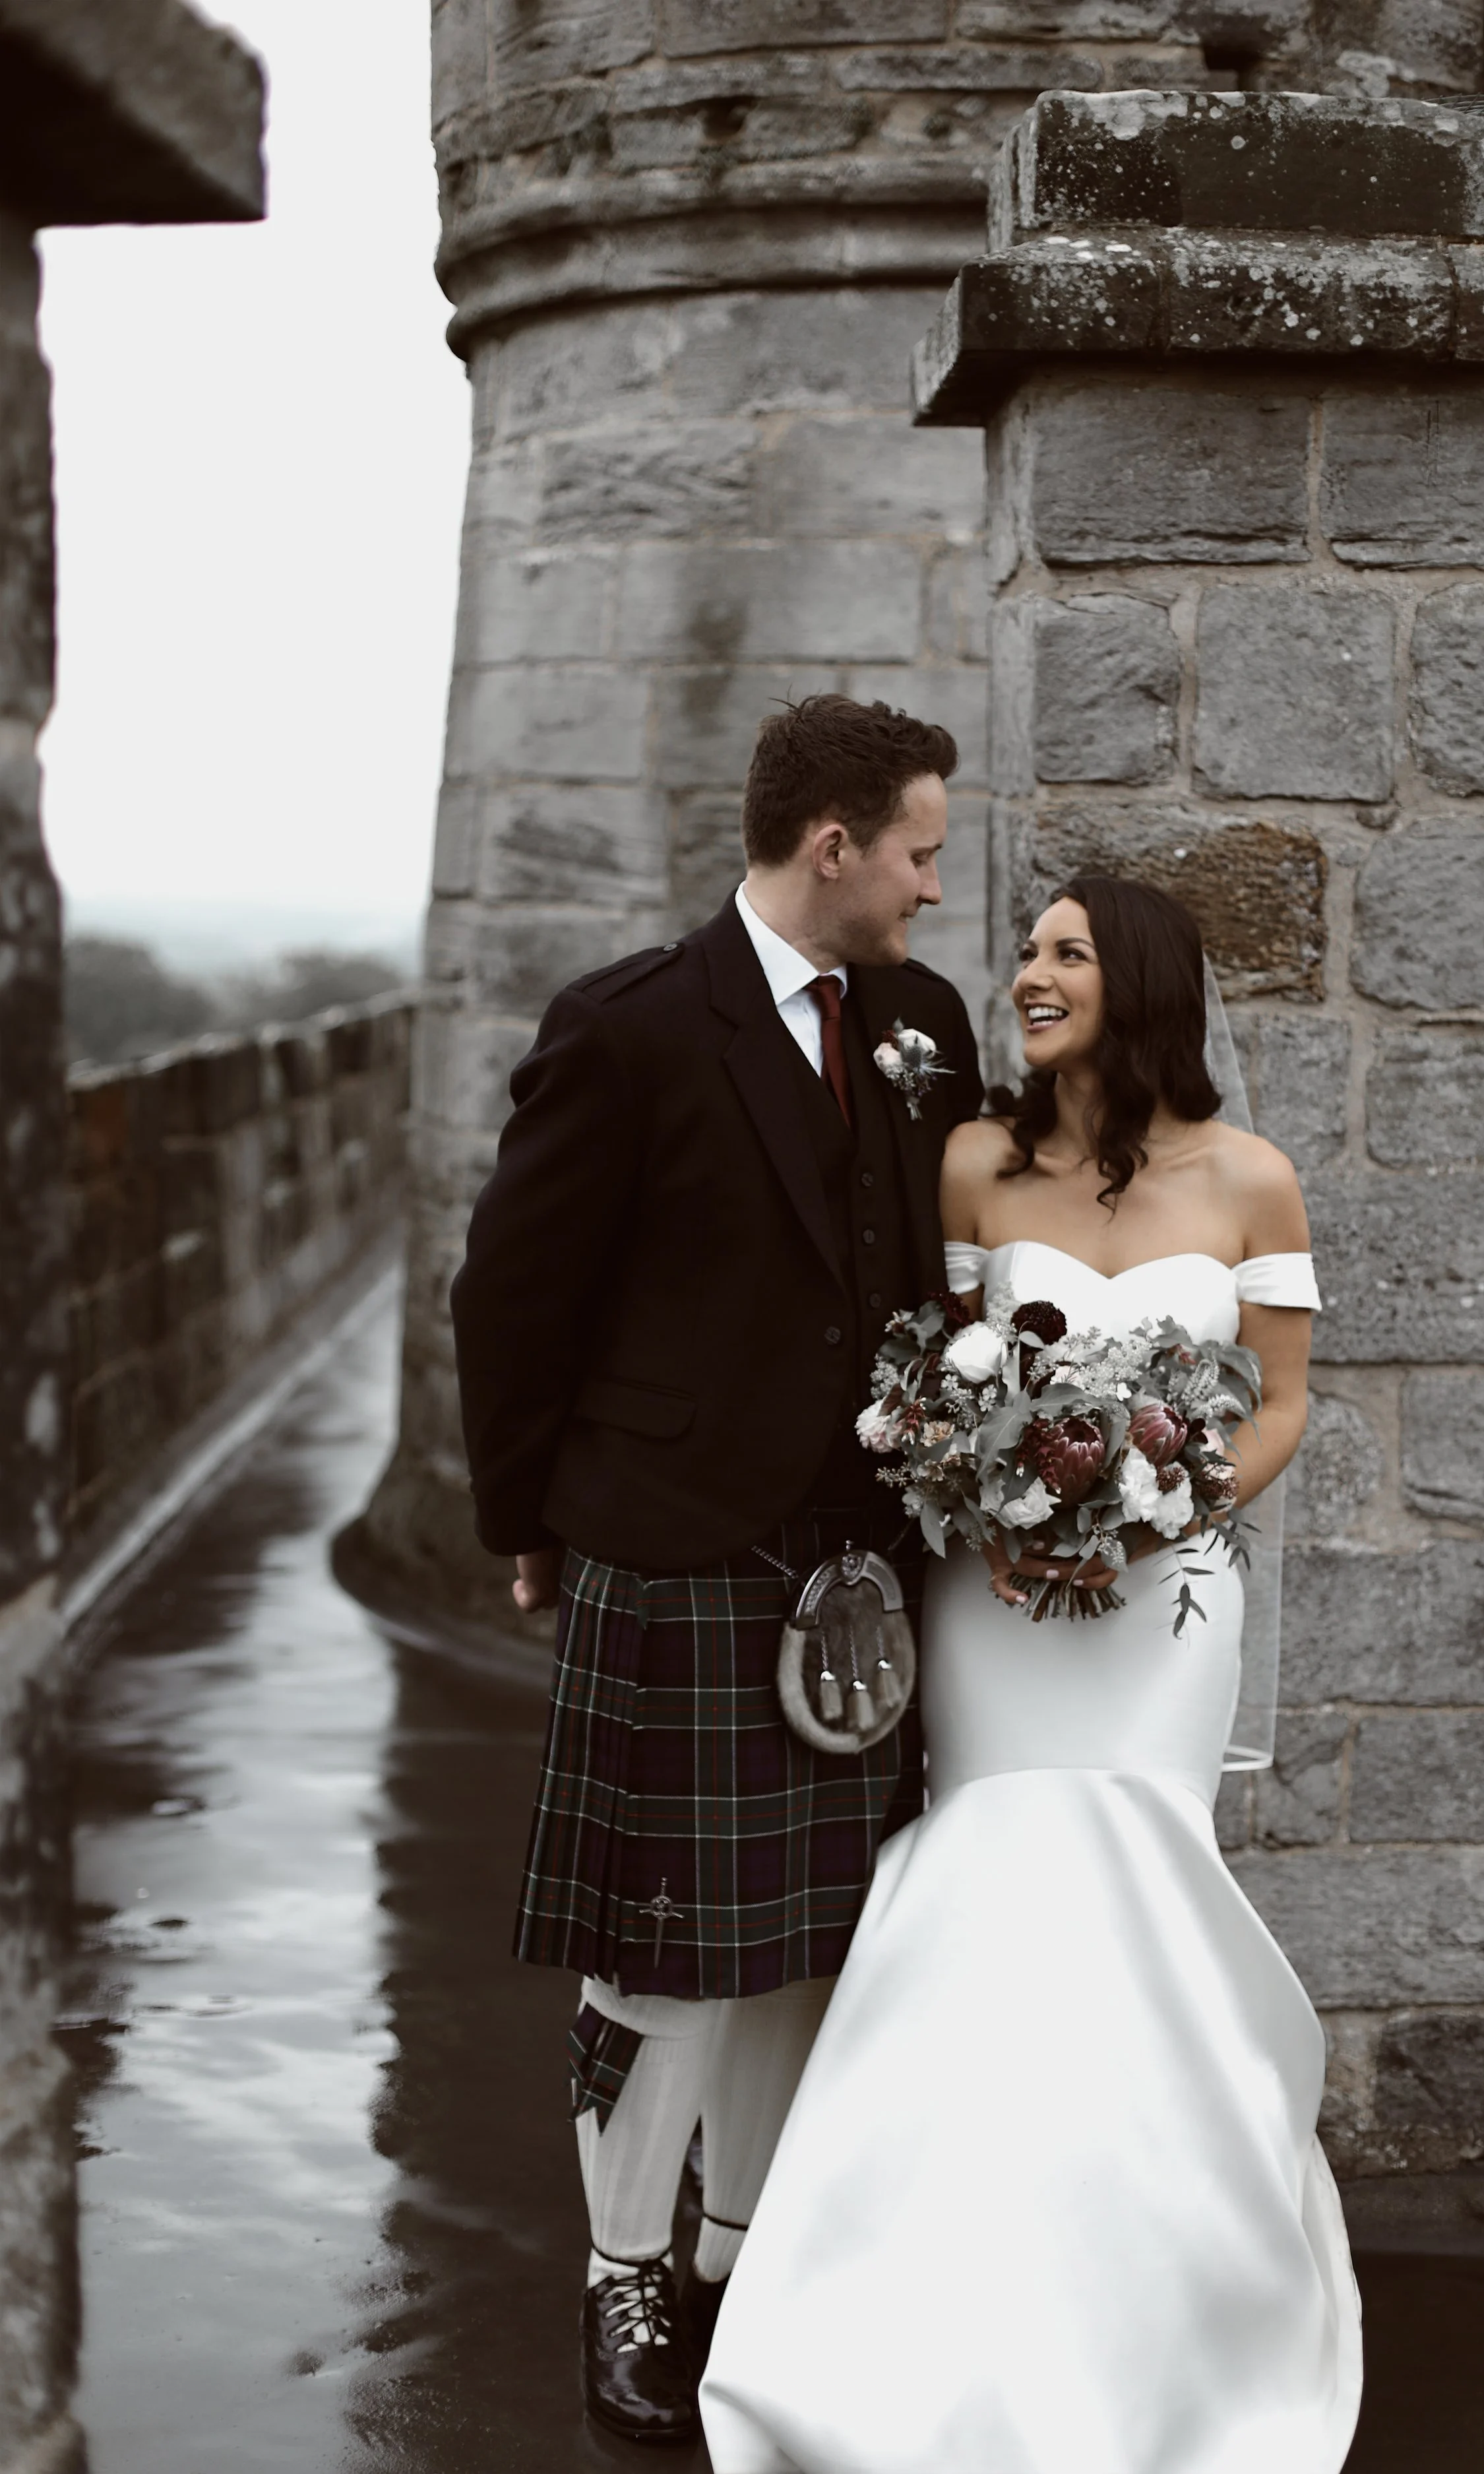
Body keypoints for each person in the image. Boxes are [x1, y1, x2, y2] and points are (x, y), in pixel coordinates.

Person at [700, 875, 1363, 2474]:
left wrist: (1160, 1514)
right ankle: (923, 2312)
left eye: (1063, 954)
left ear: (1135, 983)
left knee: (1138, 1887)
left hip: (1159, 1616)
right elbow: (939, 1376)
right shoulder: (976, 1162)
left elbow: (1271, 1405)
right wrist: (986, 1504)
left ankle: (1174, 2316)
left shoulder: (1250, 1180)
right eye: (1025, 951)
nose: (1026, 974)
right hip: (994, 1605)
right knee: (982, 1897)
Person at [448, 695, 984, 2444]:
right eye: (913, 846)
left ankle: (743, 2253)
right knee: (665, 1945)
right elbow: (511, 1296)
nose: (928, 879)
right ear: (827, 842)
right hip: (679, 1534)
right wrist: (527, 1515)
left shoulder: (921, 1022)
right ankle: (626, 2263)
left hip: (866, 1548)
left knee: (812, 1943)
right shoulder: (629, 1027)